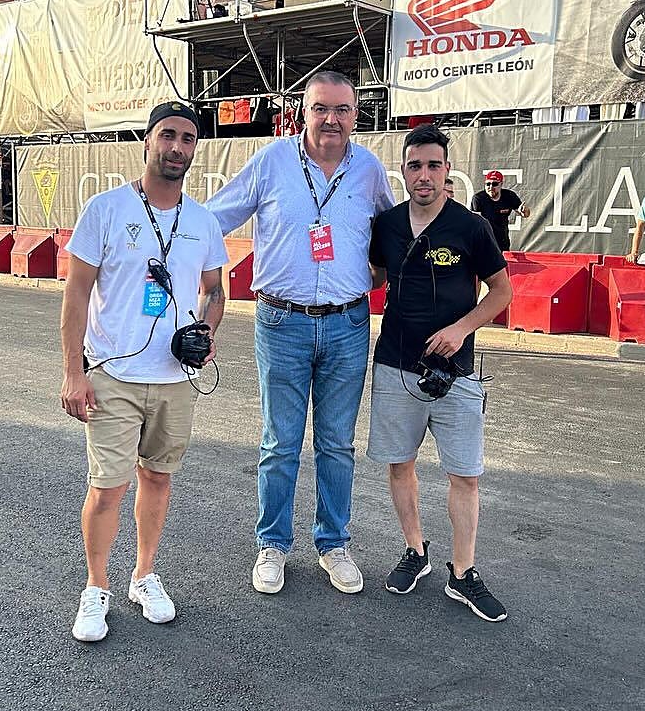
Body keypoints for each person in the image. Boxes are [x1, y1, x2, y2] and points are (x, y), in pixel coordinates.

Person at [208, 71, 395, 596]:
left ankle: (333, 543)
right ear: (301, 111)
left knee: (337, 444)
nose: (331, 120)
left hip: (348, 324)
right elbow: (216, 216)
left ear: (357, 114)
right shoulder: (271, 162)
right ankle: (272, 545)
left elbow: (394, 231)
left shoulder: (369, 170)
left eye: (342, 109)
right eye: (320, 109)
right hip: (281, 322)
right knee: (279, 442)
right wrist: (157, 230)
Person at [60, 102, 228, 641]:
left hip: (175, 378)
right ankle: (95, 587)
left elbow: (215, 290)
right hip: (111, 372)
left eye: (187, 139)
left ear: (194, 150)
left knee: (157, 477)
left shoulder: (202, 220)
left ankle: (144, 574)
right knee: (106, 487)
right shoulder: (106, 209)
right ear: (149, 140)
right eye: (168, 136)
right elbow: (77, 292)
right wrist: (73, 371)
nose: (177, 147)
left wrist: (206, 332)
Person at [368, 125, 512, 622]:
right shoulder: (385, 224)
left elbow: (501, 292)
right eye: (414, 166)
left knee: (465, 477)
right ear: (403, 171)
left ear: (448, 171)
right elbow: (374, 277)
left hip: (457, 373)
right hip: (395, 366)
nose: (423, 175)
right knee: (400, 464)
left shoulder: (471, 226)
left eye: (433, 165)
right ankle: (415, 551)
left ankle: (464, 573)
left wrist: (461, 329)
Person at [469, 170, 528, 252]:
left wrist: (524, 211)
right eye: (488, 184)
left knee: (502, 263)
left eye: (495, 184)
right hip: (484, 240)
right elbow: (474, 223)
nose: (490, 187)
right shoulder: (478, 198)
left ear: (501, 184)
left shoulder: (509, 196)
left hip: (502, 241)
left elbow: (525, 214)